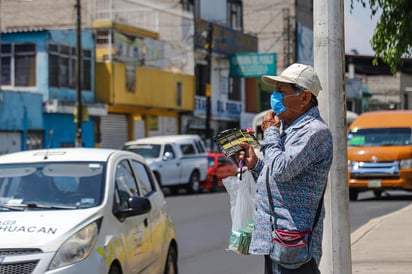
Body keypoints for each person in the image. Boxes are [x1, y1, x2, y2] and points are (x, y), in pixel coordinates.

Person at [236, 63, 333, 274]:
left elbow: (282, 169)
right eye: (275, 91)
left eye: (282, 91)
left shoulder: (315, 132)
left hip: (294, 241)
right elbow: (278, 176)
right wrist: (255, 165)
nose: (275, 97)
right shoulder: (285, 128)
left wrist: (270, 133)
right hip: (275, 238)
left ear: (305, 97)